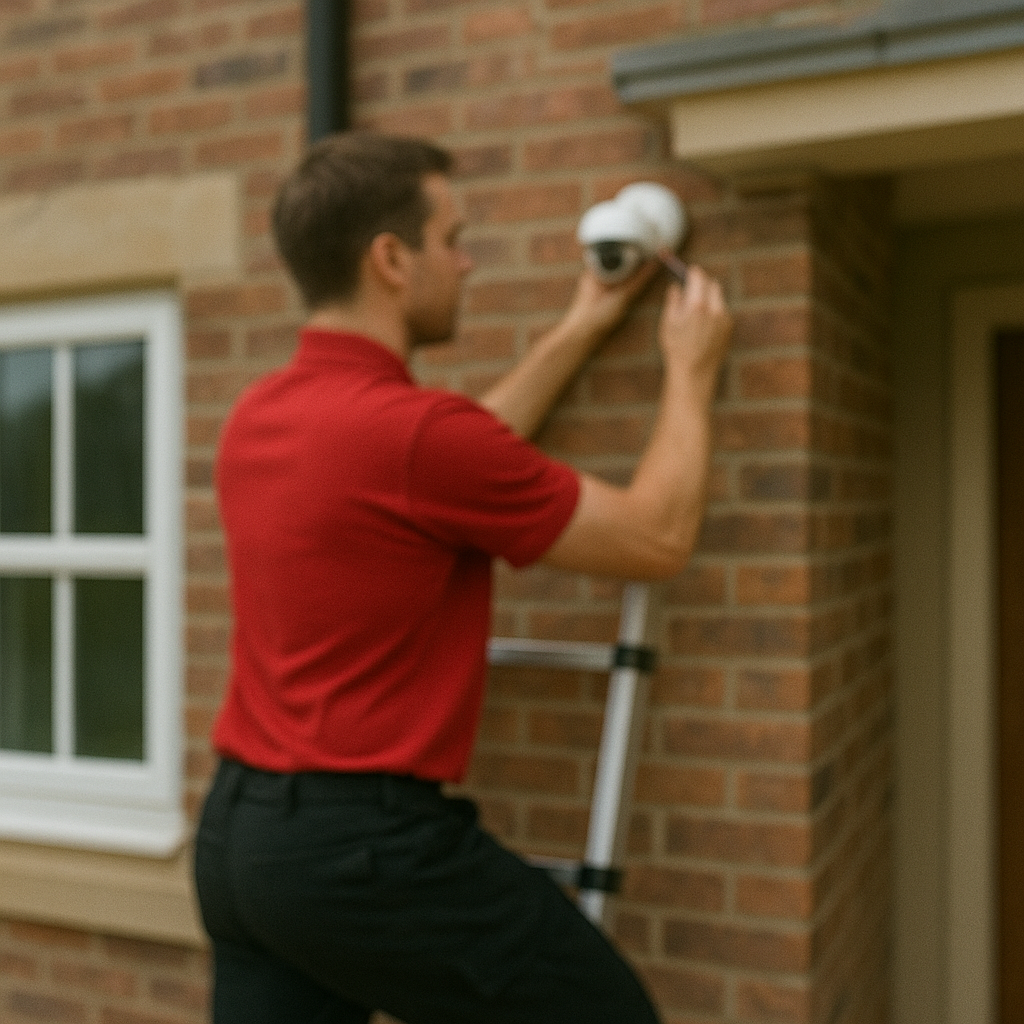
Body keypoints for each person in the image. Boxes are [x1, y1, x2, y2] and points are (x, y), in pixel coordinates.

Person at [194, 132, 732, 1024]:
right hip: (363, 853)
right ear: (392, 259)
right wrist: (690, 372)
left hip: (241, 841)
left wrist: (583, 323)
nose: (470, 262)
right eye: (454, 239)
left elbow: (448, 456)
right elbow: (657, 538)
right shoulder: (416, 437)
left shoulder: (260, 415)